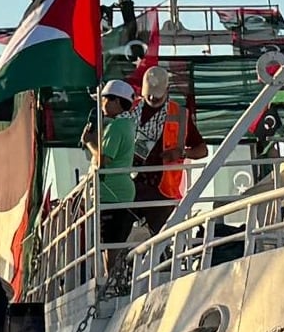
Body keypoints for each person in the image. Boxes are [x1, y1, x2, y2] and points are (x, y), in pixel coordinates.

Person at [131, 65, 204, 235]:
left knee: (158, 240)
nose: (152, 99)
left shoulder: (180, 115)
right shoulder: (131, 110)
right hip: (130, 184)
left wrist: (182, 153)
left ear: (167, 90)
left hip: (164, 190)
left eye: (156, 96)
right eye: (148, 95)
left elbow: (202, 150)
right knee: (121, 236)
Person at [84, 78, 138, 248]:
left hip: (112, 195)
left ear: (116, 101)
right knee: (113, 245)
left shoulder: (116, 127)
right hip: (119, 193)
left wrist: (89, 142)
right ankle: (115, 274)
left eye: (104, 99)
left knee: (110, 247)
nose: (101, 103)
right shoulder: (127, 123)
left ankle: (111, 275)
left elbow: (103, 161)